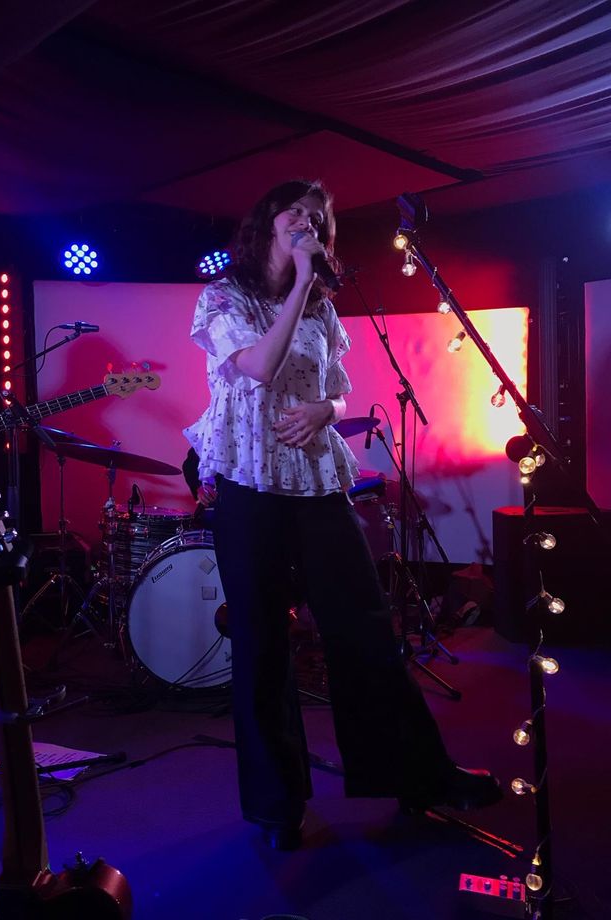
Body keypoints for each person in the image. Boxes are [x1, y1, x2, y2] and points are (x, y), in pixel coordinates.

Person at [183, 179, 501, 850]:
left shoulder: (325, 308)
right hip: (249, 482)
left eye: (319, 219)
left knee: (365, 630)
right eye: (295, 213)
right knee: (263, 645)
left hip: (315, 480)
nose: (308, 223)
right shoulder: (223, 298)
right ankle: (277, 807)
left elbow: (335, 392)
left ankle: (421, 776)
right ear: (268, 224)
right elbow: (260, 367)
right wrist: (300, 282)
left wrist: (324, 411)